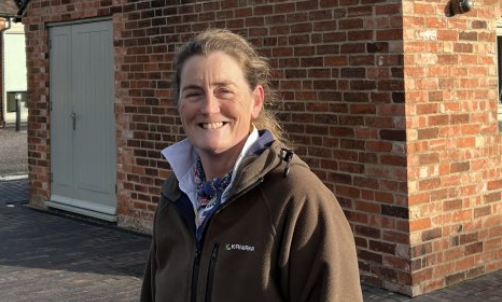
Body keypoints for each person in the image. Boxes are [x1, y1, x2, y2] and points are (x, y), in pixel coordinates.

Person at [140, 29, 362, 302]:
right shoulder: (175, 195)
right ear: (179, 104)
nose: (209, 108)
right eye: (194, 93)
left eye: (225, 91)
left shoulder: (298, 200)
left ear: (256, 101)